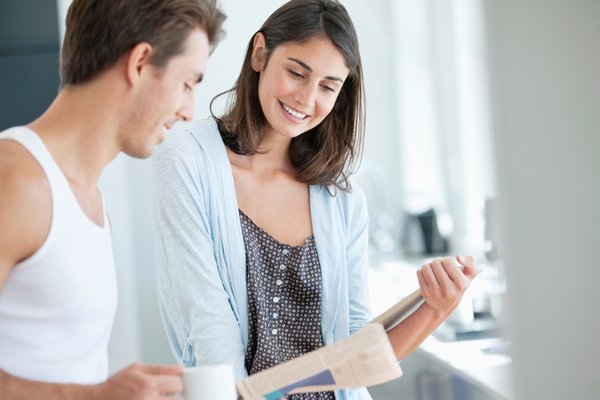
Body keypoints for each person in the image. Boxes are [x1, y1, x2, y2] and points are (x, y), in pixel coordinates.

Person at [152, 0, 477, 399]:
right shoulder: (187, 160)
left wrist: (436, 308)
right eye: (296, 72)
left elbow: (358, 355)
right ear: (259, 54)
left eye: (327, 86)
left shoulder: (342, 200)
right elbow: (208, 325)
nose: (306, 99)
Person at [0, 0, 225, 399]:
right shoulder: (14, 179)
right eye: (188, 83)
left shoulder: (91, 199)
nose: (188, 111)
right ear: (139, 63)